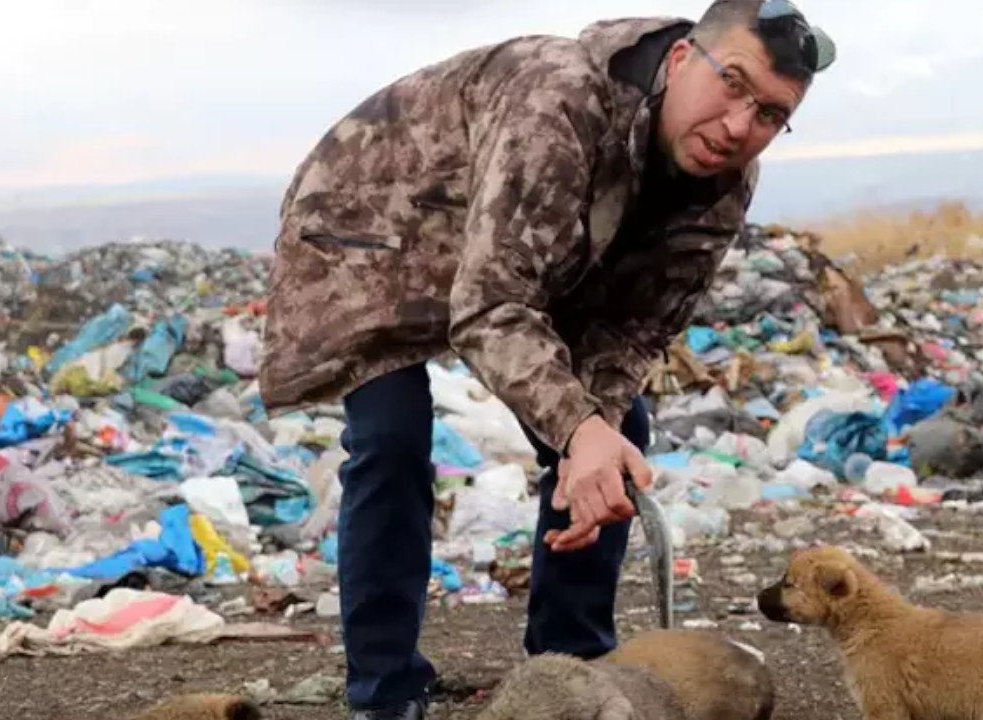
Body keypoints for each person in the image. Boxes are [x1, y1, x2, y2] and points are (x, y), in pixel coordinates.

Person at [258, 1, 835, 718]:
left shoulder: (721, 182)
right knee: (390, 434)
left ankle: (571, 667)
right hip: (370, 229)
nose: (739, 126)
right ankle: (385, 688)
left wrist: (593, 438)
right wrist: (576, 429)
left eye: (771, 115)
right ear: (685, 59)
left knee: (617, 440)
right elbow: (492, 305)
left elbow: (635, 327)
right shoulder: (558, 94)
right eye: (734, 85)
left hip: (515, 247)